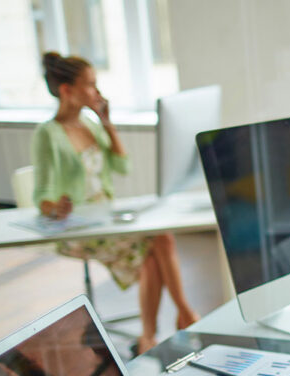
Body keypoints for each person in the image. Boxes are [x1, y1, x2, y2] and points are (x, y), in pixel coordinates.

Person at [33, 52, 199, 354]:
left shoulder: (91, 124)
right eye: (90, 85)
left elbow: (122, 167)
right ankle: (183, 316)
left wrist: (107, 123)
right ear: (67, 90)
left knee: (156, 246)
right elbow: (40, 195)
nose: (97, 92)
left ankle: (149, 337)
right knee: (159, 241)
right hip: (76, 229)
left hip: (106, 217)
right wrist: (57, 207)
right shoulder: (48, 134)